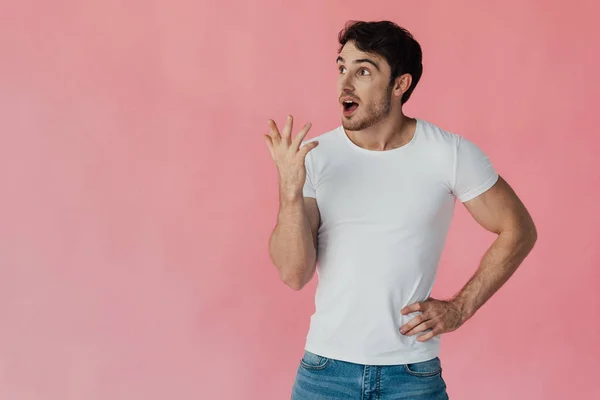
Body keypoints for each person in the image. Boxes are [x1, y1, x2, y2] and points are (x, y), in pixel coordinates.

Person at [264, 20, 537, 400]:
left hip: (411, 377)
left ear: (399, 84)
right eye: (342, 67)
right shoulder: (313, 157)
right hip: (324, 373)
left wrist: (460, 308)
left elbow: (518, 229)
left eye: (363, 71)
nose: (344, 83)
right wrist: (290, 192)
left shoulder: (449, 154)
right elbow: (294, 274)